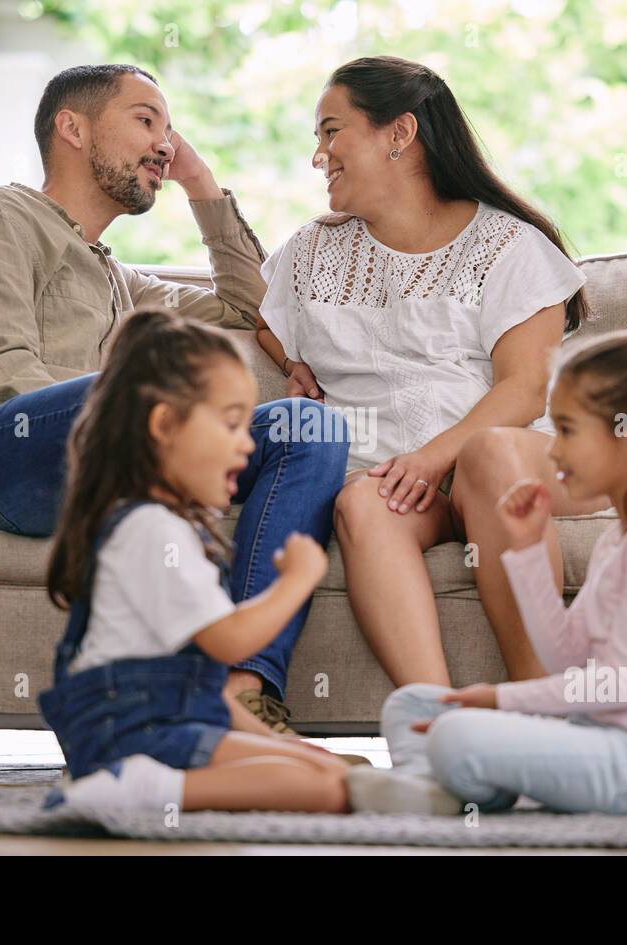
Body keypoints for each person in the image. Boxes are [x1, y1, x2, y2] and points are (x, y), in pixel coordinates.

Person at [0, 65, 348, 733]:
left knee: (306, 425)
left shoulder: (119, 278)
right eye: (146, 120)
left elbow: (252, 309)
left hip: (82, 453)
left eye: (170, 129)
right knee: (130, 397)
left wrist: (200, 184)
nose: (164, 142)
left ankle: (242, 689)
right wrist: (151, 434)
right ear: (72, 127)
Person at [254, 56, 606, 691]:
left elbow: (525, 390)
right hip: (398, 481)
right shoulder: (311, 250)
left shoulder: (508, 245)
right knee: (362, 503)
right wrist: (292, 363)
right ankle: (434, 723)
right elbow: (262, 320)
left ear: (400, 134)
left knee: (488, 456)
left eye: (331, 132)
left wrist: (433, 458)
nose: (318, 156)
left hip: (504, 465)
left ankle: (538, 707)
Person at [347, 332, 627, 815]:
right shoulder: (621, 539)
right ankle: (432, 790)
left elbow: (620, 683)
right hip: (597, 740)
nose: (554, 451)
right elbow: (564, 656)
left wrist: (499, 700)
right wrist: (524, 550)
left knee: (457, 731)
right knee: (414, 704)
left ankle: (445, 782)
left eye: (567, 430)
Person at [39, 309, 352, 819]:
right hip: (134, 731)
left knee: (328, 774)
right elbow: (229, 642)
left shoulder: (165, 529)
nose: (249, 443)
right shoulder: (152, 530)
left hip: (164, 723)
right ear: (164, 424)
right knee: (325, 791)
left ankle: (128, 785)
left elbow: (206, 690)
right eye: (232, 424)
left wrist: (289, 748)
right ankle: (129, 790)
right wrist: (296, 581)